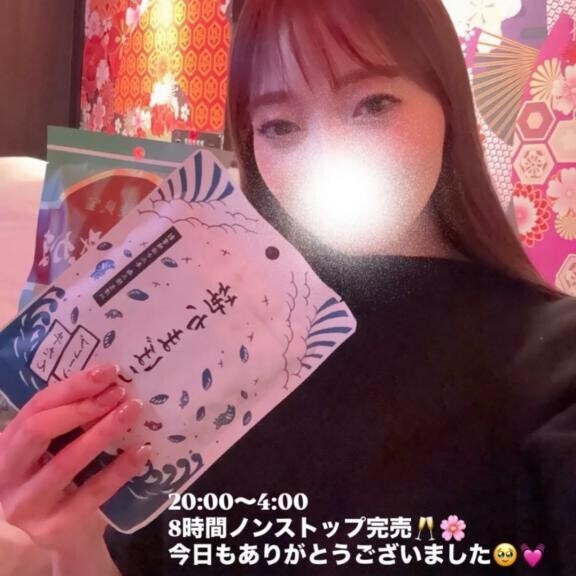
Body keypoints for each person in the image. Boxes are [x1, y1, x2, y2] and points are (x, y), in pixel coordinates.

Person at [1, 0, 575, 574]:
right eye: (279, 126)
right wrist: (73, 542)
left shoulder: (554, 365)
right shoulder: (200, 333)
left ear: (446, 101)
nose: (329, 154)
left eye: (373, 104)